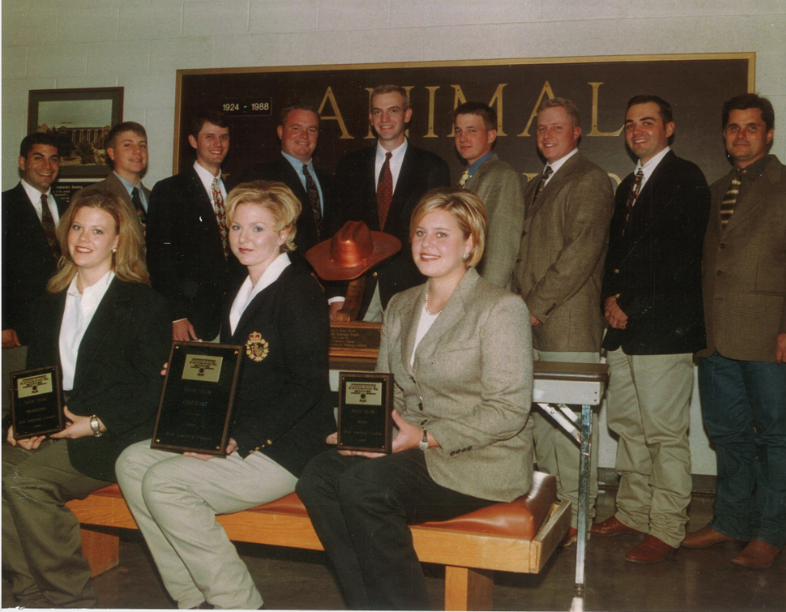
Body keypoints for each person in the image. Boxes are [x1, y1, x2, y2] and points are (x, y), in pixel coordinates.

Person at [296, 187, 534, 610]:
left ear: (470, 243)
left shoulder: (500, 308)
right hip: (414, 449)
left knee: (364, 488)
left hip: (479, 461)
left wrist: (424, 437)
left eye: (442, 235)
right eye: (421, 233)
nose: (427, 244)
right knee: (318, 476)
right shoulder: (402, 305)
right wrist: (361, 431)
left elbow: (508, 411)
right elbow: (386, 387)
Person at [116, 181, 335, 609]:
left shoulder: (300, 290)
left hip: (286, 447)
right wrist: (188, 376)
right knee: (131, 462)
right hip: (239, 431)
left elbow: (307, 387)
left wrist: (238, 439)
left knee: (164, 483)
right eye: (236, 227)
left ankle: (237, 602)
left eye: (257, 228)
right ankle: (192, 599)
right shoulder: (241, 288)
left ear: (285, 232)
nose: (243, 238)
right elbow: (245, 371)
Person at [2, 190, 171, 608]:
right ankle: (28, 598)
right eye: (77, 227)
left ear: (117, 241)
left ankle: (70, 599)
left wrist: (95, 422)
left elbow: (153, 389)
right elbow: (37, 379)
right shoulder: (48, 303)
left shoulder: (143, 304)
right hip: (58, 422)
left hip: (113, 431)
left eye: (97, 231)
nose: (83, 238)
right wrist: (24, 423)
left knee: (24, 483)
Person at [682, 94, 786, 569]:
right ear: (724, 135)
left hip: (771, 336)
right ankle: (730, 521)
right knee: (726, 432)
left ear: (769, 133)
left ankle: (770, 533)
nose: (742, 135)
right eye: (734, 128)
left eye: (752, 127)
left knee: (775, 435)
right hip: (716, 339)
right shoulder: (714, 189)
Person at [591, 95, 710, 563]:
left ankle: (666, 527)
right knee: (628, 427)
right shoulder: (628, 186)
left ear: (669, 128)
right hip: (622, 330)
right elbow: (616, 255)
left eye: (647, 122)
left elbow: (680, 257)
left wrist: (630, 304)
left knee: (663, 434)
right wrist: (609, 300)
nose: (637, 130)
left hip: (663, 328)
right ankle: (634, 512)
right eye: (629, 124)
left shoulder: (686, 178)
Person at [511, 97, 614, 544]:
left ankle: (580, 520)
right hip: (529, 322)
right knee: (543, 430)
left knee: (573, 433)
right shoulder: (536, 184)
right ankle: (555, 510)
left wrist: (532, 305)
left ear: (577, 133)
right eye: (541, 130)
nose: (547, 136)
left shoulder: (589, 179)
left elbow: (579, 255)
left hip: (566, 324)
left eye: (556, 128)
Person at [333, 85, 450, 321]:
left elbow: (441, 238)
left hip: (414, 295)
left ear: (407, 115)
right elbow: (334, 233)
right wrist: (336, 298)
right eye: (377, 112)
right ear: (370, 118)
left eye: (393, 111)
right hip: (356, 296)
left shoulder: (432, 167)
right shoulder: (349, 166)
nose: (384, 119)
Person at [146, 110, 241, 342]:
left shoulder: (238, 192)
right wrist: (176, 315)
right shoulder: (169, 190)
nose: (218, 144)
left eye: (224, 137)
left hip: (236, 313)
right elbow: (160, 259)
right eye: (209, 137)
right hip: (191, 318)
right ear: (192, 141)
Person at [2, 133, 68, 406]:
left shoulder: (68, 208)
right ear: (22, 162)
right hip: (18, 328)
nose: (47, 165)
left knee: (50, 402)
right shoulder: (4, 206)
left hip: (61, 322)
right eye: (38, 157)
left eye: (53, 159)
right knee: (13, 404)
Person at [240, 104, 335, 266]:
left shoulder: (331, 181)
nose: (304, 136)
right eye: (296, 128)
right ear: (280, 132)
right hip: (284, 281)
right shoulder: (259, 177)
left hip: (329, 282)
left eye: (312, 130)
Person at [453, 101, 524, 288]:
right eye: (458, 131)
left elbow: (501, 249)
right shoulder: (470, 175)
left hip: (483, 293)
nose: (463, 138)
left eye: (471, 131)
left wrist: (486, 300)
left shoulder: (502, 175)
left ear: (491, 135)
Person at [73, 122, 150, 234]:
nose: (137, 151)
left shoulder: (156, 198)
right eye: (128, 145)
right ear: (111, 153)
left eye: (142, 145)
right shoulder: (90, 195)